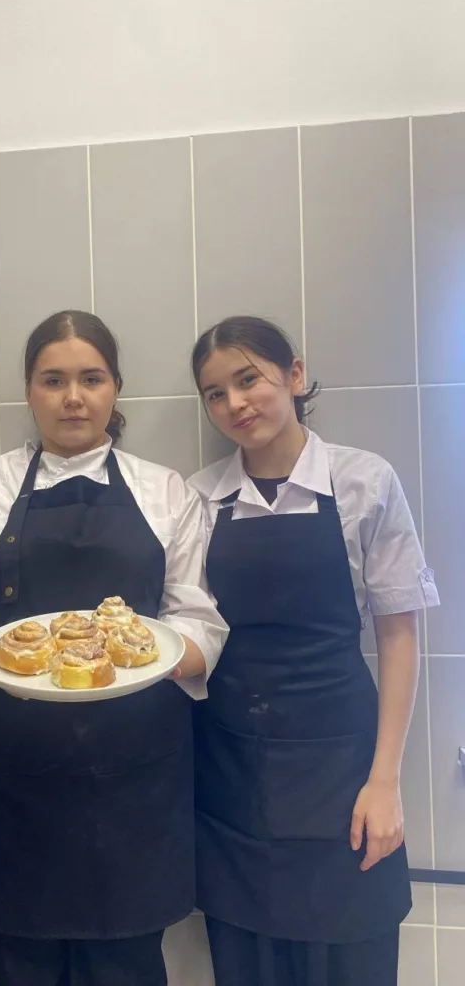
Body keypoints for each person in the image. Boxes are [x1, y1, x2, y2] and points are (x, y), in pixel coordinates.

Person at [0, 310, 228, 986]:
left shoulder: (165, 491)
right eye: (53, 380)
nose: (73, 398)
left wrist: (156, 658)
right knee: (19, 963)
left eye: (91, 379)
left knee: (127, 964)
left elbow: (196, 617)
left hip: (135, 777)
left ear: (115, 387)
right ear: (29, 391)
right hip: (9, 775)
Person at [187, 315, 439, 986]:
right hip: (231, 768)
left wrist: (385, 782)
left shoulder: (365, 482)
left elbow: (399, 635)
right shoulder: (200, 498)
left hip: (342, 766)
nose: (235, 403)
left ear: (294, 375)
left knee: (352, 953)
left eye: (249, 379)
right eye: (215, 393)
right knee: (248, 962)